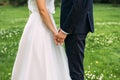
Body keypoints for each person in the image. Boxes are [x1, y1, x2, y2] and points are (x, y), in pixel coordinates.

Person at [11, 0, 71, 80]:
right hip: (39, 25)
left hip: (46, 21)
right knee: (38, 57)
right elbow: (42, 10)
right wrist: (54, 32)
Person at [56, 0, 94, 80]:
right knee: (73, 67)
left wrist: (65, 30)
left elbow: (79, 5)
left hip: (75, 27)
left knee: (75, 71)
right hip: (76, 27)